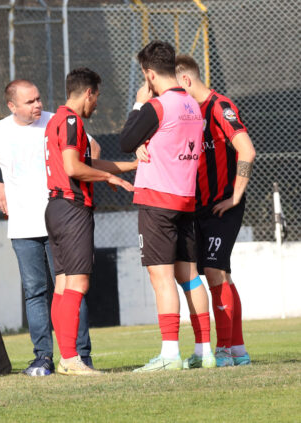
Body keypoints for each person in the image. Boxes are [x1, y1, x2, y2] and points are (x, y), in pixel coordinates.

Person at [0, 79, 94, 377]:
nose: (38, 105)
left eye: (38, 98)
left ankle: (79, 356)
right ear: (12, 106)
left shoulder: (56, 121)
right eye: (29, 101)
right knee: (35, 292)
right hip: (22, 226)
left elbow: (90, 148)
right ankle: (42, 358)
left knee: (72, 290)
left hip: (59, 223)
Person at [119, 41, 206, 372]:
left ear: (149, 73)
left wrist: (139, 104)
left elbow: (126, 140)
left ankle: (169, 353)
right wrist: (147, 142)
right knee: (190, 275)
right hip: (185, 197)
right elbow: (169, 140)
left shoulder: (157, 106)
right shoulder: (192, 105)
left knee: (162, 276)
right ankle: (203, 351)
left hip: (157, 199)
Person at [45, 68, 136, 375]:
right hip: (72, 208)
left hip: (56, 208)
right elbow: (74, 168)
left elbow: (86, 163)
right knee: (78, 283)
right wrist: (108, 176)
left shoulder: (56, 121)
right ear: (88, 93)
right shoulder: (72, 121)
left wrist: (130, 166)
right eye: (97, 97)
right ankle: (71, 359)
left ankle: (66, 357)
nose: (96, 104)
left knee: (62, 285)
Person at [175, 54, 255, 367]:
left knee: (213, 270)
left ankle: (222, 349)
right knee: (222, 273)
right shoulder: (187, 113)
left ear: (185, 80)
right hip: (199, 208)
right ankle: (237, 350)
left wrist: (235, 196)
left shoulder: (220, 106)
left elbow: (247, 149)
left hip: (223, 205)